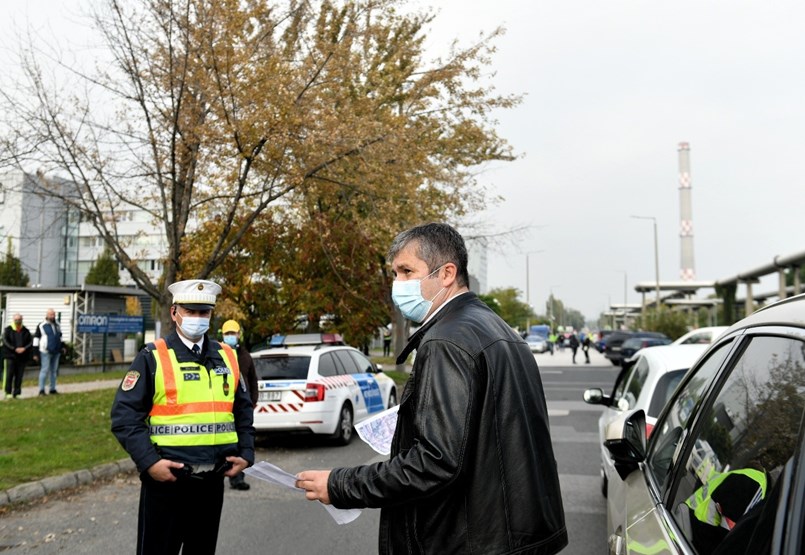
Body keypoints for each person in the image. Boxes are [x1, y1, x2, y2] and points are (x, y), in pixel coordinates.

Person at [295, 223, 567, 554]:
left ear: (447, 273)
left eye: (407, 271)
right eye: (394, 274)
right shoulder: (501, 330)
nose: (398, 285)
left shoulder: (446, 340)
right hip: (514, 537)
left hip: (468, 540)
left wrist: (340, 485)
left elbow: (436, 461)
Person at [111, 279, 255, 555]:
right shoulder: (153, 356)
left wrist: (246, 452)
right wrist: (149, 462)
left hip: (212, 481)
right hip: (168, 481)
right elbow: (124, 415)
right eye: (191, 311)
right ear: (175, 312)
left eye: (204, 313)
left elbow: (242, 409)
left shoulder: (227, 356)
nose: (198, 318)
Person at [221, 319, 257, 491]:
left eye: (232, 333)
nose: (230, 336)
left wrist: (252, 402)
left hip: (241, 406)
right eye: (227, 333)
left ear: (239, 334)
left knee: (240, 442)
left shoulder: (245, 356)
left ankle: (237, 477)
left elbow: (253, 381)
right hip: (223, 407)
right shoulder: (217, 354)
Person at [33, 308, 63, 396]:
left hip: (56, 351)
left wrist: (62, 347)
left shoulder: (57, 324)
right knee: (44, 370)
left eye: (53, 315)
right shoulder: (41, 325)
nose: (52, 316)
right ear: (47, 315)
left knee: (54, 371)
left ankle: (52, 389)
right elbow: (36, 338)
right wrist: (35, 352)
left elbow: (59, 336)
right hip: (45, 351)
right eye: (50, 315)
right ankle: (41, 390)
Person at [3, 313, 33, 399]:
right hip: (10, 356)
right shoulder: (8, 330)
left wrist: (24, 348)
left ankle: (17, 392)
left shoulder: (25, 330)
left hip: (22, 357)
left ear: (22, 320)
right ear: (13, 320)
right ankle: (7, 392)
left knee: (19, 376)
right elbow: (5, 341)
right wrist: (14, 348)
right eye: (16, 320)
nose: (18, 321)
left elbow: (30, 342)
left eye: (19, 320)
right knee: (9, 375)